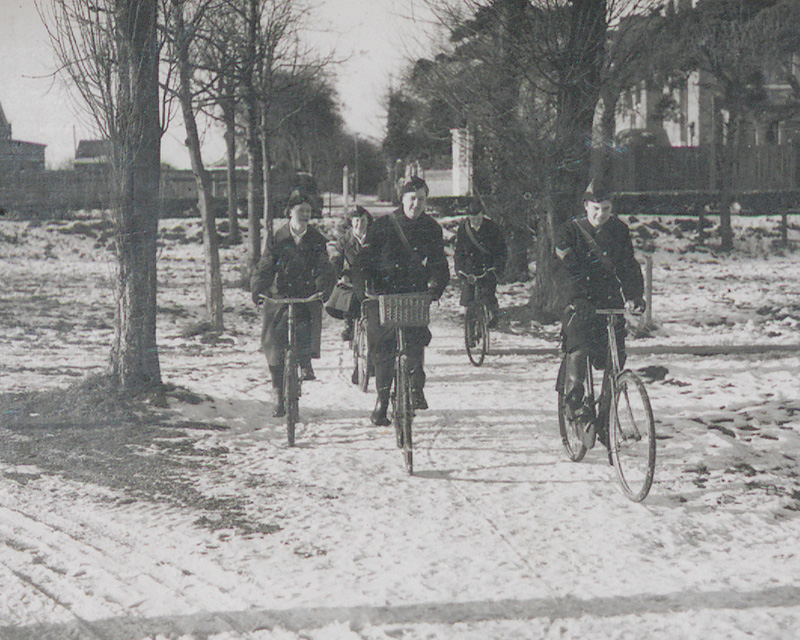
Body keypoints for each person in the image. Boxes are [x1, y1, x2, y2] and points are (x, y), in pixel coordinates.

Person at [554, 180, 645, 449]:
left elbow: (627, 265)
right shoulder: (569, 232)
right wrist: (576, 298)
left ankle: (605, 418)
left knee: (615, 359)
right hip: (579, 302)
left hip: (608, 300)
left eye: (606, 208)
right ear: (586, 206)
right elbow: (563, 271)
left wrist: (634, 295)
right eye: (596, 208)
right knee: (578, 348)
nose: (600, 214)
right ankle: (576, 408)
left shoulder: (619, 230)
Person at [356, 176, 450, 426]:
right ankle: (382, 400)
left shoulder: (431, 228)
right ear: (402, 199)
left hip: (413, 294)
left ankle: (416, 388)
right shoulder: (383, 225)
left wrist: (436, 286)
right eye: (412, 199)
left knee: (416, 344)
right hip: (382, 295)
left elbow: (439, 262)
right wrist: (366, 286)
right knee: (382, 350)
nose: (416, 204)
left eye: (421, 199)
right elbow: (364, 261)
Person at [251, 192, 334, 417]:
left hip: (305, 294)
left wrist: (323, 287)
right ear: (290, 212)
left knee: (308, 321)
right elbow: (266, 265)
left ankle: (306, 359)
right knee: (273, 342)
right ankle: (279, 392)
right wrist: (258, 288)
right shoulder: (277, 237)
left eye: (308, 211)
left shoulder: (317, 239)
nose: (305, 215)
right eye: (301, 211)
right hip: (280, 294)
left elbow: (324, 266)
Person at [453, 198, 508, 327]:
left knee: (488, 294)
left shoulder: (492, 227)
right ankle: (470, 328)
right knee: (468, 297)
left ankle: (493, 316)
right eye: (472, 216)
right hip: (470, 268)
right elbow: (459, 251)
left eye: (477, 216)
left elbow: (501, 249)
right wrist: (459, 268)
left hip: (487, 266)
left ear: (482, 214)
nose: (475, 219)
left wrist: (497, 266)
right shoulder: (463, 229)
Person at [330, 205, 373, 343]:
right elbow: (336, 259)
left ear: (368, 222)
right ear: (351, 223)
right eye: (356, 221)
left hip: (371, 274)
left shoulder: (374, 238)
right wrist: (340, 274)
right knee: (348, 293)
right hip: (352, 275)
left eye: (363, 221)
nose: (360, 224)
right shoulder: (344, 240)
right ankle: (349, 325)